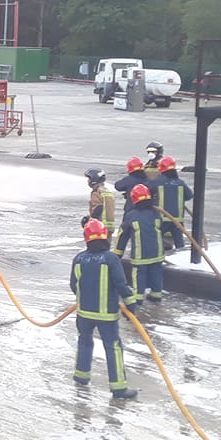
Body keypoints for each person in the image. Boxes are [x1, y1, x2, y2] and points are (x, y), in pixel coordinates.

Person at [71, 219, 139, 400]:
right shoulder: (111, 259)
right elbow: (121, 284)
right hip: (107, 315)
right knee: (113, 347)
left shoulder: (78, 259)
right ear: (105, 237)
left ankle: (81, 376)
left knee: (84, 343)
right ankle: (119, 388)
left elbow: (73, 285)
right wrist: (131, 304)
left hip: (83, 314)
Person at [115, 184, 166, 304]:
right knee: (156, 272)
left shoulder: (131, 216)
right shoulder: (156, 213)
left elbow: (123, 235)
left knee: (139, 274)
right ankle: (156, 294)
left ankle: (138, 299)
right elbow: (161, 229)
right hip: (157, 252)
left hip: (140, 254)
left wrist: (117, 254)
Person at [154, 156, 194, 251]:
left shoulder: (158, 182)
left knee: (156, 240)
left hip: (162, 218)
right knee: (179, 242)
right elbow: (189, 195)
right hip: (177, 220)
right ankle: (182, 258)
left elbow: (147, 190)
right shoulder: (180, 183)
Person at [81, 168, 115, 242]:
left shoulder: (96, 192)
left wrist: (90, 221)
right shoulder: (106, 191)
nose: (88, 181)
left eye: (89, 179)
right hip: (109, 227)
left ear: (94, 180)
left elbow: (98, 208)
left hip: (100, 227)